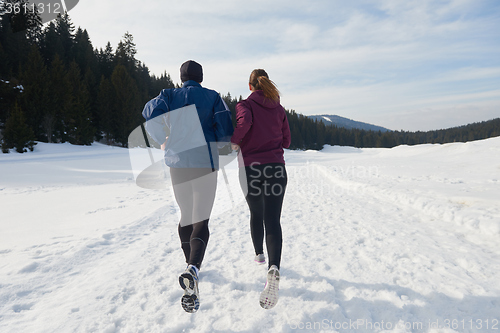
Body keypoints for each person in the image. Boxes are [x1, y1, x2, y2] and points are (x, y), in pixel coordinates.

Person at [142, 60, 234, 313]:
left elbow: (149, 113)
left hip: (178, 162)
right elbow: (225, 128)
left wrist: (163, 138)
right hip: (205, 163)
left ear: (182, 77)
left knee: (186, 216)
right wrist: (221, 146)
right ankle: (193, 267)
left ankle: (188, 267)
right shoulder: (213, 97)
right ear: (201, 77)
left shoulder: (168, 95)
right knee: (201, 218)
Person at [231, 69, 291, 309]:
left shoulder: (244, 105)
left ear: (250, 85)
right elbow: (286, 141)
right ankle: (273, 267)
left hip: (251, 169)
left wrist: (235, 141)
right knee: (273, 219)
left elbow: (244, 124)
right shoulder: (279, 109)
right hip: (276, 168)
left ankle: (259, 254)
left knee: (256, 213)